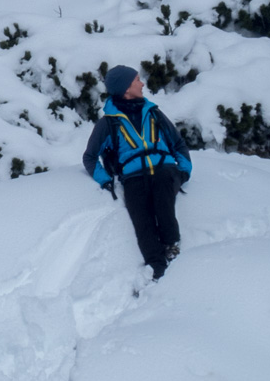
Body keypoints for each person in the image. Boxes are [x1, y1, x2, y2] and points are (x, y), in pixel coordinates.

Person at [82, 64, 192, 279]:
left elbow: (178, 145)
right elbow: (90, 157)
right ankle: (157, 269)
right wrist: (105, 180)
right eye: (137, 80)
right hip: (133, 178)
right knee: (143, 222)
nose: (142, 84)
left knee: (162, 198)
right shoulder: (108, 124)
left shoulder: (154, 114)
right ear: (125, 88)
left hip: (164, 170)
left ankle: (172, 248)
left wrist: (184, 172)